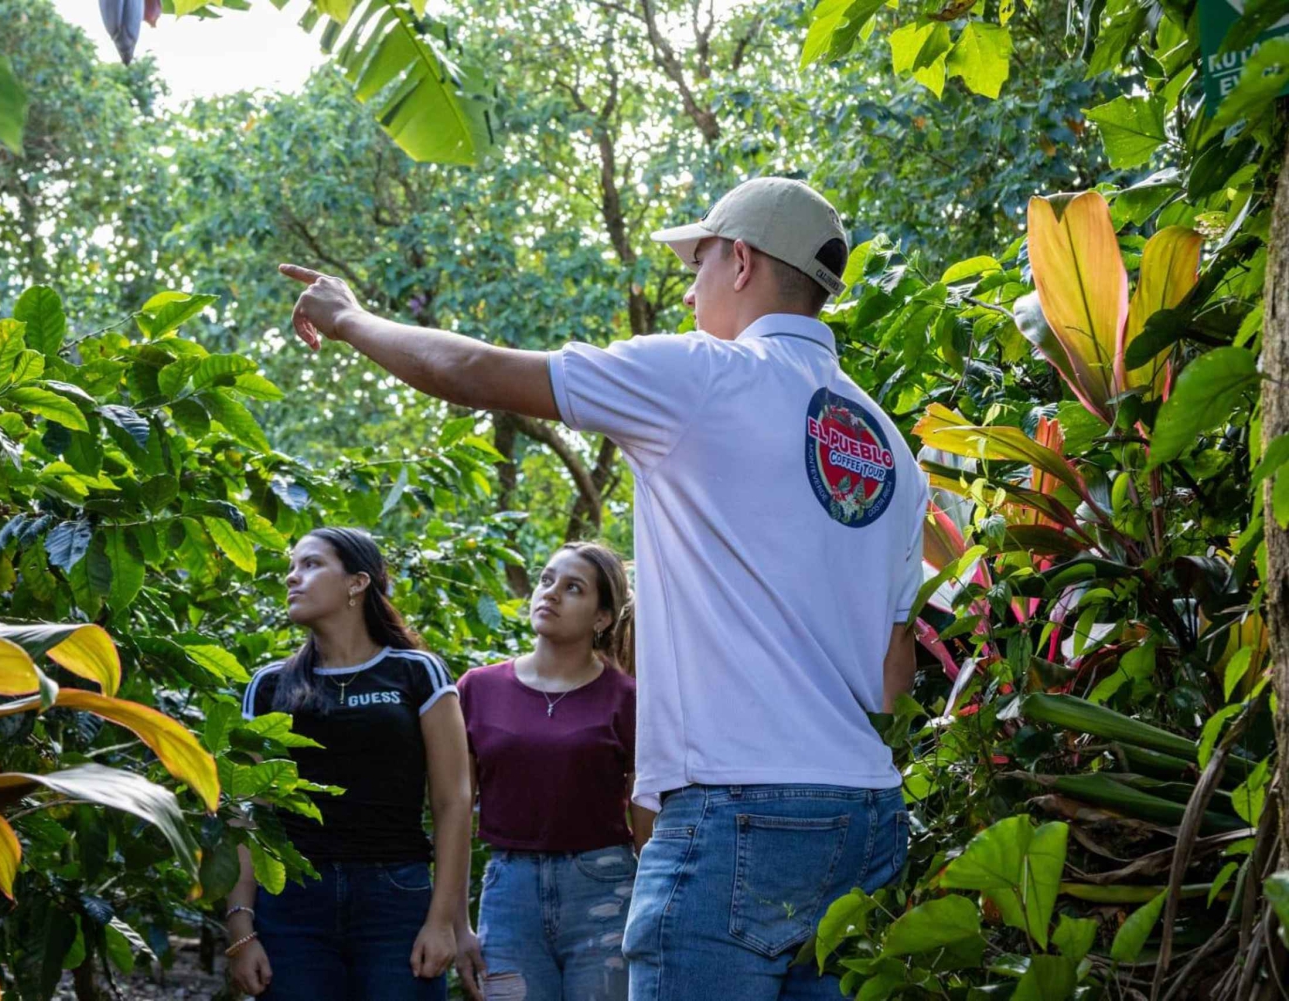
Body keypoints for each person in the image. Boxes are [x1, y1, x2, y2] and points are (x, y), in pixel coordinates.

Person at [279, 176, 927, 1000]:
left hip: (741, 812)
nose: (688, 290)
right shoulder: (887, 447)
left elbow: (475, 370)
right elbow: (891, 672)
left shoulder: (707, 376)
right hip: (866, 815)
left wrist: (348, 319)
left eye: (695, 265)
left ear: (739, 260)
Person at [223, 527, 472, 1001]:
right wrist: (241, 928)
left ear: (358, 583)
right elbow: (242, 811)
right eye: (291, 567)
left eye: (311, 565)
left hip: (395, 898)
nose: (293, 578)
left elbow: (452, 800)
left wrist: (443, 922)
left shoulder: (417, 672)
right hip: (292, 904)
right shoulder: (269, 685)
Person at [456, 542, 649, 1001]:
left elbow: (645, 815)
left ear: (601, 618)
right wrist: (454, 920)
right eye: (546, 581)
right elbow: (454, 810)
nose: (551, 594)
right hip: (509, 893)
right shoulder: (477, 689)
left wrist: (653, 909)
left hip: (605, 888)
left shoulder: (628, 698)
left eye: (573, 588)